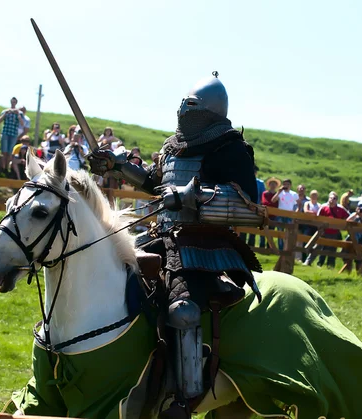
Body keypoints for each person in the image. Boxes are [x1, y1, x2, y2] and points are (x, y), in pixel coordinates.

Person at [89, 73, 264, 416]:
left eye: (193, 109)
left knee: (182, 310)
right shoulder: (173, 146)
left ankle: (186, 398)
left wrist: (192, 197)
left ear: (210, 113)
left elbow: (249, 205)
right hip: (161, 237)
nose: (185, 113)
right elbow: (157, 183)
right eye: (184, 107)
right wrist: (118, 165)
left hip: (205, 247)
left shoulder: (230, 149)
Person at [304, 191, 349, 268]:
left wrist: (341, 225)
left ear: (336, 200)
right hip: (324, 232)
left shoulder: (341, 209)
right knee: (317, 247)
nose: (332, 200)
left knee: (332, 250)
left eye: (334, 198)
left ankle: (330, 266)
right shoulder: (324, 207)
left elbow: (348, 217)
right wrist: (320, 229)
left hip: (334, 233)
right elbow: (318, 218)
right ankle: (308, 261)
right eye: (330, 198)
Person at [342, 200, 362, 273]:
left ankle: (359, 273)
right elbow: (347, 222)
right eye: (360, 207)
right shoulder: (354, 215)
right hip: (352, 238)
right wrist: (356, 214)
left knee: (359, 258)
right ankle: (347, 271)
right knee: (347, 255)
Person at [0, 97, 23, 172]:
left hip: (13, 134)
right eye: (12, 102)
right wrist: (5, 114)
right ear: (10, 102)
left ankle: (7, 169)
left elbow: (22, 123)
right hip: (5, 133)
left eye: (14, 102)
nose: (13, 103)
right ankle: (2, 168)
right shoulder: (5, 111)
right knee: (4, 152)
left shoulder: (19, 113)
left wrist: (18, 115)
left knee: (10, 152)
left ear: (16, 103)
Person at [246, 165, 266, 248]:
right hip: (245, 206)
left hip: (256, 207)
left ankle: (251, 245)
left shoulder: (260, 183)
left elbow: (262, 196)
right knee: (243, 224)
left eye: (254, 172)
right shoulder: (245, 181)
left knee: (253, 226)